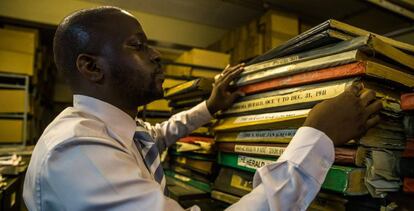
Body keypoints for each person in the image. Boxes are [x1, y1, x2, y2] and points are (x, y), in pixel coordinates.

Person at [23, 6, 383, 211]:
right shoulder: (78, 152)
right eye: (137, 45)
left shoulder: (108, 130)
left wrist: (210, 107)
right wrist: (317, 137)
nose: (156, 54)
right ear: (91, 67)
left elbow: (157, 137)